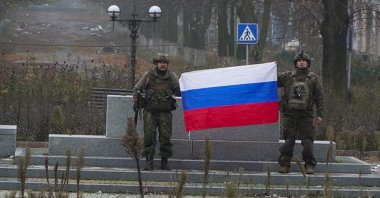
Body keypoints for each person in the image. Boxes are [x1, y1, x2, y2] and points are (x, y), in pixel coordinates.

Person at [277, 51, 324, 174]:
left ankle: (309, 165)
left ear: (308, 64)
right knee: (288, 142)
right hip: (290, 115)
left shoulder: (313, 79)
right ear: (296, 63)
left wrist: (320, 114)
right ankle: (285, 165)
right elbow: (272, 81)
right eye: (299, 61)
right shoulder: (287, 77)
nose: (302, 62)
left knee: (308, 143)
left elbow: (320, 98)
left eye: (304, 61)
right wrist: (270, 69)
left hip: (306, 116)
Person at [133, 53, 180, 170]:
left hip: (165, 113)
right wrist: (136, 102)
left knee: (165, 138)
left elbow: (179, 91)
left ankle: (165, 162)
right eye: (160, 62)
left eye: (164, 63)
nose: (163, 64)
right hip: (150, 112)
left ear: (167, 64)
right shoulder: (148, 75)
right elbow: (137, 89)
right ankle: (149, 161)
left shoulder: (172, 76)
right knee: (149, 137)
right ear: (156, 63)